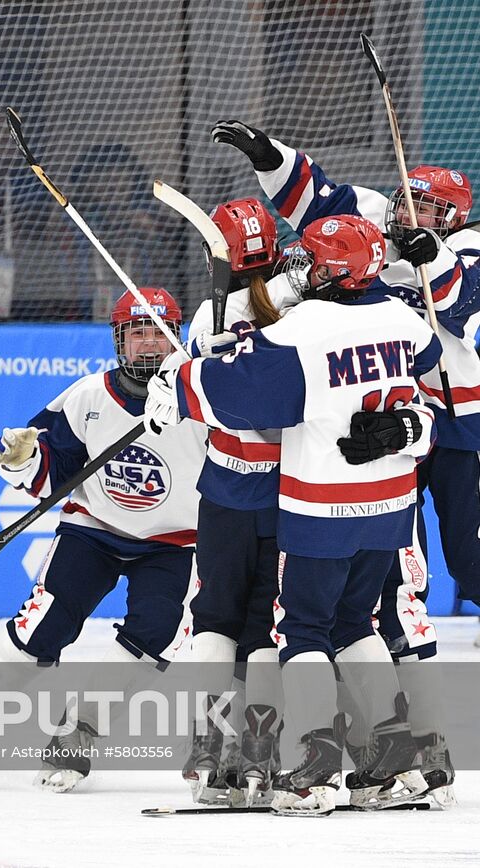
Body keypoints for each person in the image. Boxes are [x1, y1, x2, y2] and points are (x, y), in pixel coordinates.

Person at [146, 214, 440, 816]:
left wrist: (175, 386)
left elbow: (237, 392)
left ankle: (311, 766)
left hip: (315, 504)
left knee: (296, 630)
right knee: (357, 623)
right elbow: (426, 359)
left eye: (310, 259)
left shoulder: (303, 326)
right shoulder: (401, 316)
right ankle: (393, 757)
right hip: (389, 501)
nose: (299, 267)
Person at [214, 120, 463, 805]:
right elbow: (318, 197)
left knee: (332, 621)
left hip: (347, 489)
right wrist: (273, 159)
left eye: (437, 207)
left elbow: (462, 311)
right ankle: (399, 755)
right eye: (415, 200)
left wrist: (436, 260)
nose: (421, 214)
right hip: (394, 481)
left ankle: (341, 758)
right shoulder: (386, 275)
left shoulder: (314, 321)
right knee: (366, 618)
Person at [0, 288, 207, 792]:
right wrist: (22, 461)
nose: (149, 344)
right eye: (136, 333)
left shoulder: (204, 396)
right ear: (119, 341)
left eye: (158, 333)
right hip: (94, 528)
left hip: (176, 543)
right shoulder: (88, 396)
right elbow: (49, 472)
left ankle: (78, 733)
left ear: (177, 337)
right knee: (40, 628)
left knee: (155, 636)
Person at [179, 197, 299, 806]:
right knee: (266, 623)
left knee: (215, 616)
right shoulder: (307, 306)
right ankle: (258, 751)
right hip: (291, 493)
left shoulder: (206, 317)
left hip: (227, 489)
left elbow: (198, 396)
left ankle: (209, 746)